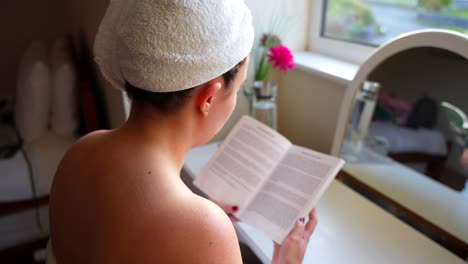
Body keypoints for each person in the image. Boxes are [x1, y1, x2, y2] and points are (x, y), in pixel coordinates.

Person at [49, 0, 317, 263]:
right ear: (208, 98)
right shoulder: (203, 230)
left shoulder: (79, 153)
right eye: (237, 90)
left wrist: (195, 216)